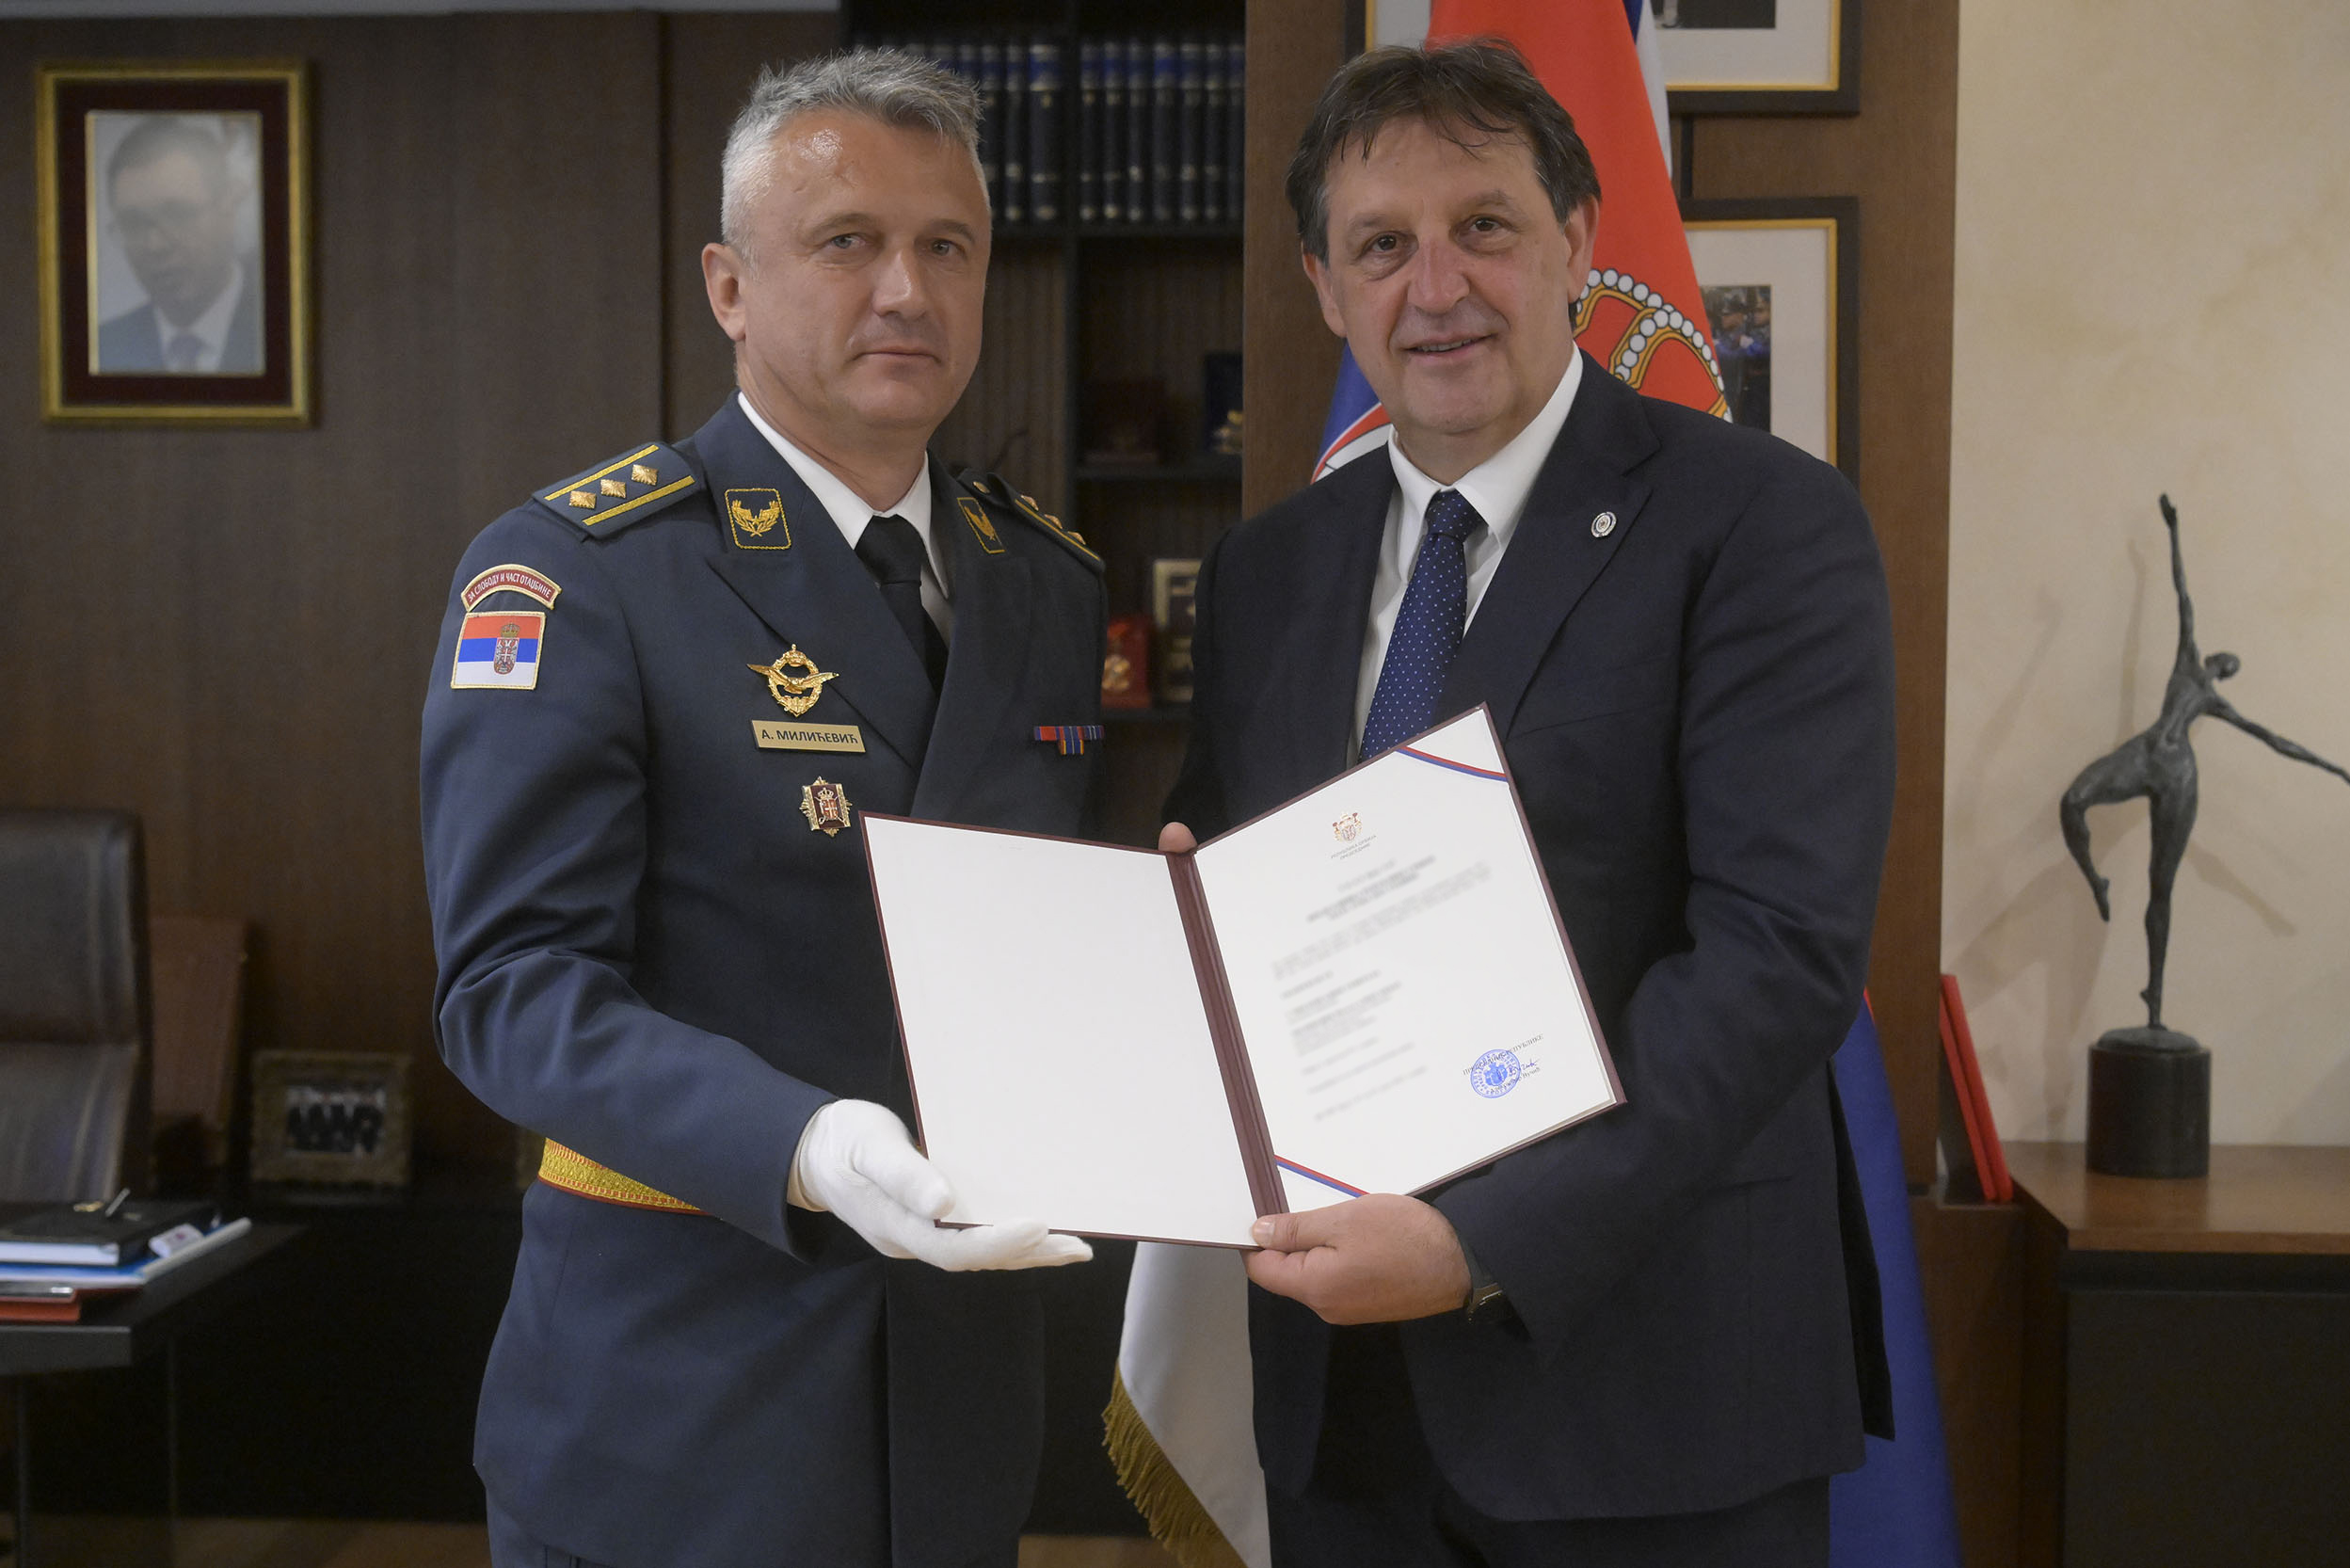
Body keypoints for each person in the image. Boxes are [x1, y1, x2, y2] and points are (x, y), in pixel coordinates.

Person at [1162, 41, 1895, 1567]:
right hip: (1343, 1404)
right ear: (1324, 287)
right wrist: (1173, 930)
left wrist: (1482, 1242)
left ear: (1577, 238)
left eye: (1483, 226)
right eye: (1383, 245)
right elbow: (1219, 882)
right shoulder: (1267, 571)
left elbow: (1777, 958)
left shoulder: (1764, 524)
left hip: (1656, 1401)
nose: (1436, 287)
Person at [421, 49, 1106, 1568]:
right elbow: (511, 990)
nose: (908, 291)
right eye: (849, 241)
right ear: (730, 287)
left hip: (958, 1401)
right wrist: (803, 1139)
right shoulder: (583, 574)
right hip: (677, 1410)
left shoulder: (1046, 585)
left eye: (948, 247)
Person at [2060, 495, 2350, 1032]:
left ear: (2225, 675)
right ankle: (2097, 881)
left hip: (2179, 776)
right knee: (2072, 801)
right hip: (2147, 752)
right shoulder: (2186, 657)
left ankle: (2154, 998)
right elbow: (2183, 592)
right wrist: (2174, 530)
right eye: (2225, 660)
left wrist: (2334, 768)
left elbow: (2274, 740)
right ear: (2213, 656)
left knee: (2161, 884)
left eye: (2229, 667)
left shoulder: (2217, 703)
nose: (2223, 665)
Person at [97, 117, 262, 375]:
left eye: (178, 215)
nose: (155, 245)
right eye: (134, 224)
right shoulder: (103, 349)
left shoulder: (280, 328)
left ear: (227, 209)